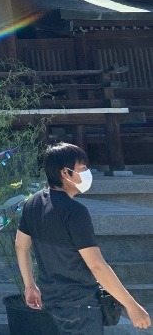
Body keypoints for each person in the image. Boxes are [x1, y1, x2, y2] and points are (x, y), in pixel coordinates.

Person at [15, 142, 151, 333]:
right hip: (80, 305)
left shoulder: (33, 203)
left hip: (51, 300)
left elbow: (20, 246)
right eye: (83, 168)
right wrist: (132, 306)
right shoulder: (75, 212)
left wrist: (30, 286)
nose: (87, 172)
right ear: (65, 172)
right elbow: (96, 265)